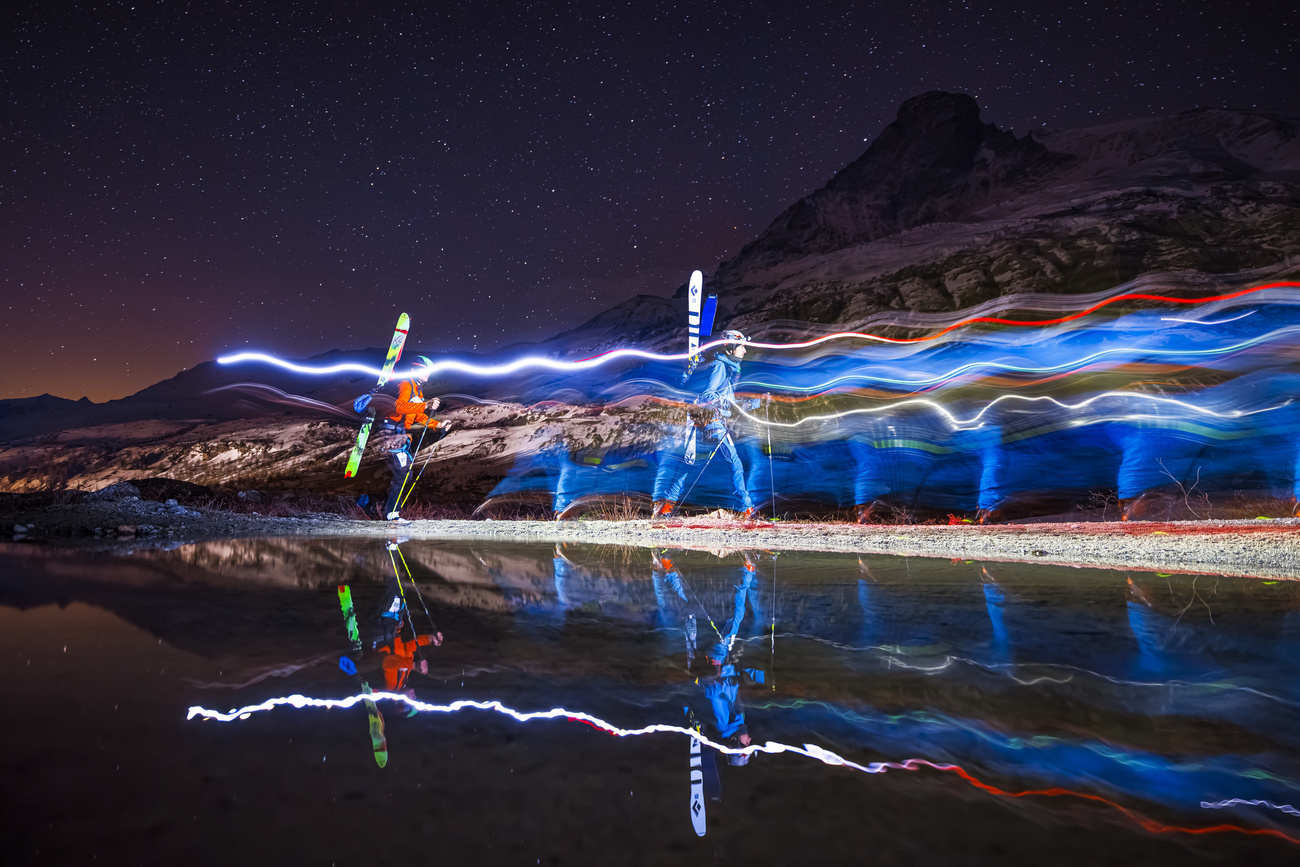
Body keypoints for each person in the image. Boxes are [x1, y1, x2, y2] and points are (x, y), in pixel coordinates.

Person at [655, 330, 758, 518]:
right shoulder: (720, 366)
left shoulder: (727, 366)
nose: (745, 351)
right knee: (735, 464)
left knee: (690, 465)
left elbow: (727, 402)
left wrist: (749, 404)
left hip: (708, 421)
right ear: (730, 347)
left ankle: (666, 508)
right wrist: (729, 404)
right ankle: (747, 510)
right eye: (742, 346)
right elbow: (708, 395)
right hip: (712, 422)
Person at [373, 355, 444, 523]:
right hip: (389, 435)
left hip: (400, 436)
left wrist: (438, 425)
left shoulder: (417, 390)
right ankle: (391, 515)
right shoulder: (405, 384)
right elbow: (399, 406)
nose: (428, 374)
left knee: (405, 474)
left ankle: (372, 504)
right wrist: (425, 404)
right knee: (402, 474)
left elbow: (418, 415)